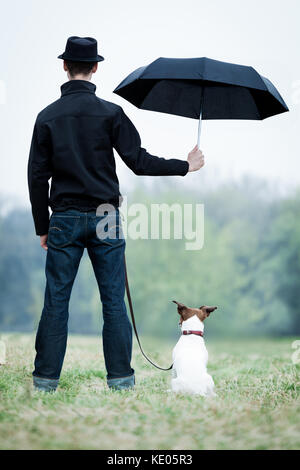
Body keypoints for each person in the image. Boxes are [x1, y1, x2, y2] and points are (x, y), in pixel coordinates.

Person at [27, 36, 205, 392]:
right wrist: (184, 166)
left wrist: (42, 226)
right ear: (96, 67)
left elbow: (36, 176)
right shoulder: (111, 113)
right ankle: (121, 382)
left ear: (65, 66)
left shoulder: (46, 117)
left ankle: (45, 382)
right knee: (113, 302)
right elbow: (138, 162)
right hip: (106, 216)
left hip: (62, 217)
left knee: (56, 302)